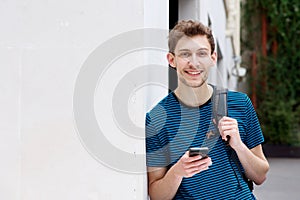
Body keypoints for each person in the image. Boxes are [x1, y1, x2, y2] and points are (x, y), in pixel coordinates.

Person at [145, 20, 269, 199]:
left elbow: (260, 175)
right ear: (172, 60)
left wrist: (239, 146)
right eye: (185, 54)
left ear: (212, 58)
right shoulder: (156, 118)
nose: (194, 63)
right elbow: (157, 195)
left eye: (201, 54)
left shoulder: (240, 104)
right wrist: (178, 171)